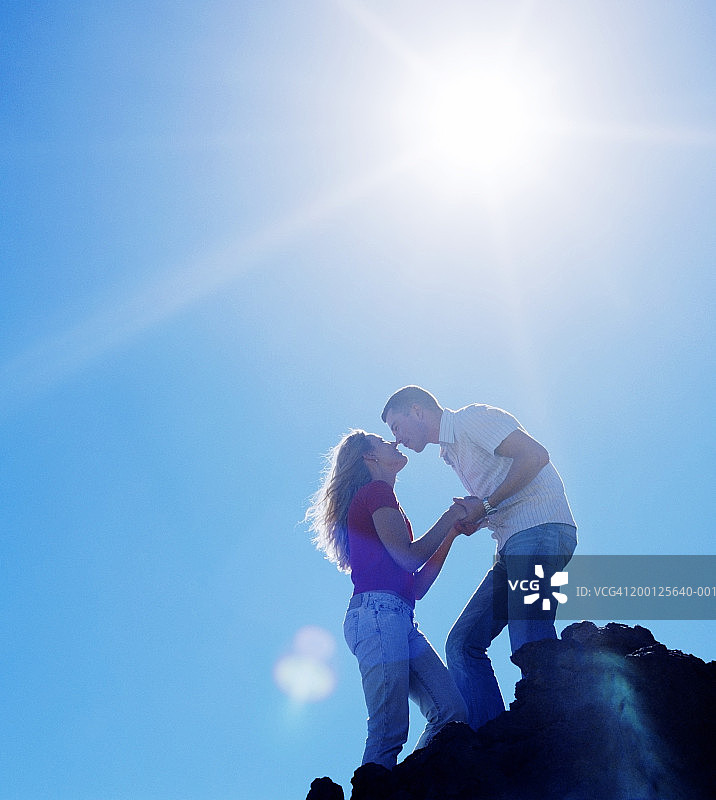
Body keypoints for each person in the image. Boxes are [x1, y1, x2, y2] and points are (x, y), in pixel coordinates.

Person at [381, 386, 577, 731]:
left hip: (540, 530)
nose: (396, 438)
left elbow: (534, 456)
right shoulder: (451, 452)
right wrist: (479, 517)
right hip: (511, 544)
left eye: (396, 426)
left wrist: (485, 506)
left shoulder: (471, 420)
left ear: (417, 411)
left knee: (530, 635)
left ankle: (555, 730)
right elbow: (499, 491)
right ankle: (496, 740)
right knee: (462, 644)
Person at [306, 429, 472, 770]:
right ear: (370, 458)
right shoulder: (376, 491)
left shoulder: (384, 500)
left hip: (397, 618)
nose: (393, 442)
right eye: (383, 442)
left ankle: (409, 786)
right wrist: (451, 515)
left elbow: (416, 587)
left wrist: (451, 534)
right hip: (376, 617)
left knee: (451, 712)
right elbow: (409, 558)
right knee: (388, 729)